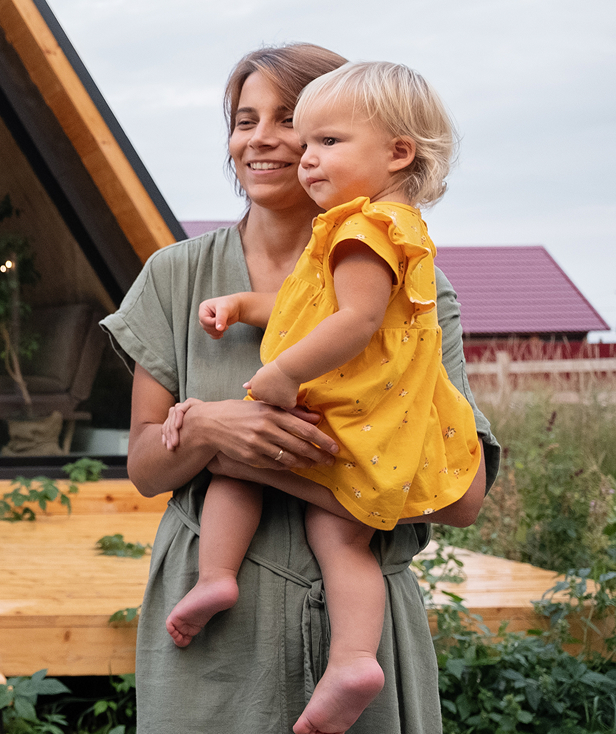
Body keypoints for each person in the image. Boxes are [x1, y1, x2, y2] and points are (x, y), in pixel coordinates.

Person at [102, 43, 499, 733]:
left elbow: (462, 498)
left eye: (292, 120)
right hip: (217, 642)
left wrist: (246, 452)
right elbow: (143, 465)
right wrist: (205, 430)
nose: (262, 139)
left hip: (361, 632)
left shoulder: (415, 288)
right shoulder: (176, 278)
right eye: (243, 118)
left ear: (377, 144)